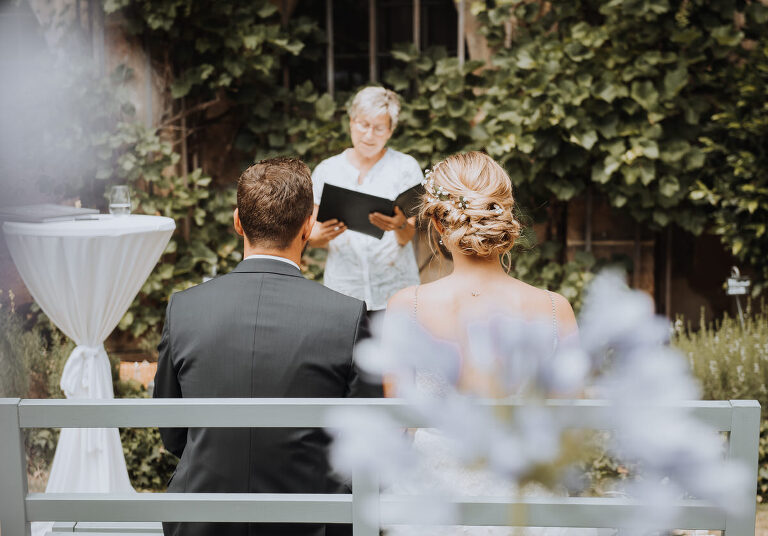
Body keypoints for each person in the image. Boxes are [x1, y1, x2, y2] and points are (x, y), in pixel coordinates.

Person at [153, 157, 375, 536]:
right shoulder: (348, 317)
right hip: (312, 523)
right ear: (308, 227)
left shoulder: (185, 308)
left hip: (202, 520)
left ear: (238, 221)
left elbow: (173, 434)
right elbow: (365, 441)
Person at [385, 152, 588, 536]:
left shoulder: (406, 307)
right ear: (505, 218)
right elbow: (568, 425)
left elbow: (400, 424)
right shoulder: (555, 309)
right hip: (527, 508)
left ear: (437, 222)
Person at [309, 86, 422, 319]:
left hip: (395, 292)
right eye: (363, 125)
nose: (369, 136)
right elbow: (311, 237)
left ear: (390, 131)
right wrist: (324, 235)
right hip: (343, 291)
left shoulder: (406, 168)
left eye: (379, 128)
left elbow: (407, 236)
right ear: (351, 122)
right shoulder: (326, 171)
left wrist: (399, 224)